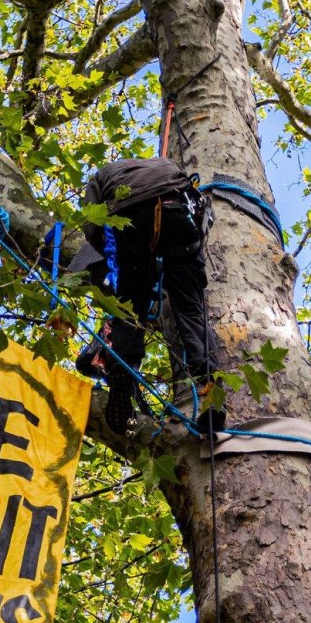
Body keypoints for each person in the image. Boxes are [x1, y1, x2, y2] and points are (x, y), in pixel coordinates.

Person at [67, 157, 216, 431]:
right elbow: (196, 199)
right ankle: (210, 383)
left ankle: (124, 366)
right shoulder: (167, 164)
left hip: (132, 217)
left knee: (129, 308)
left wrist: (113, 263)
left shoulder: (103, 174)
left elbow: (92, 217)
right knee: (191, 307)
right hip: (178, 213)